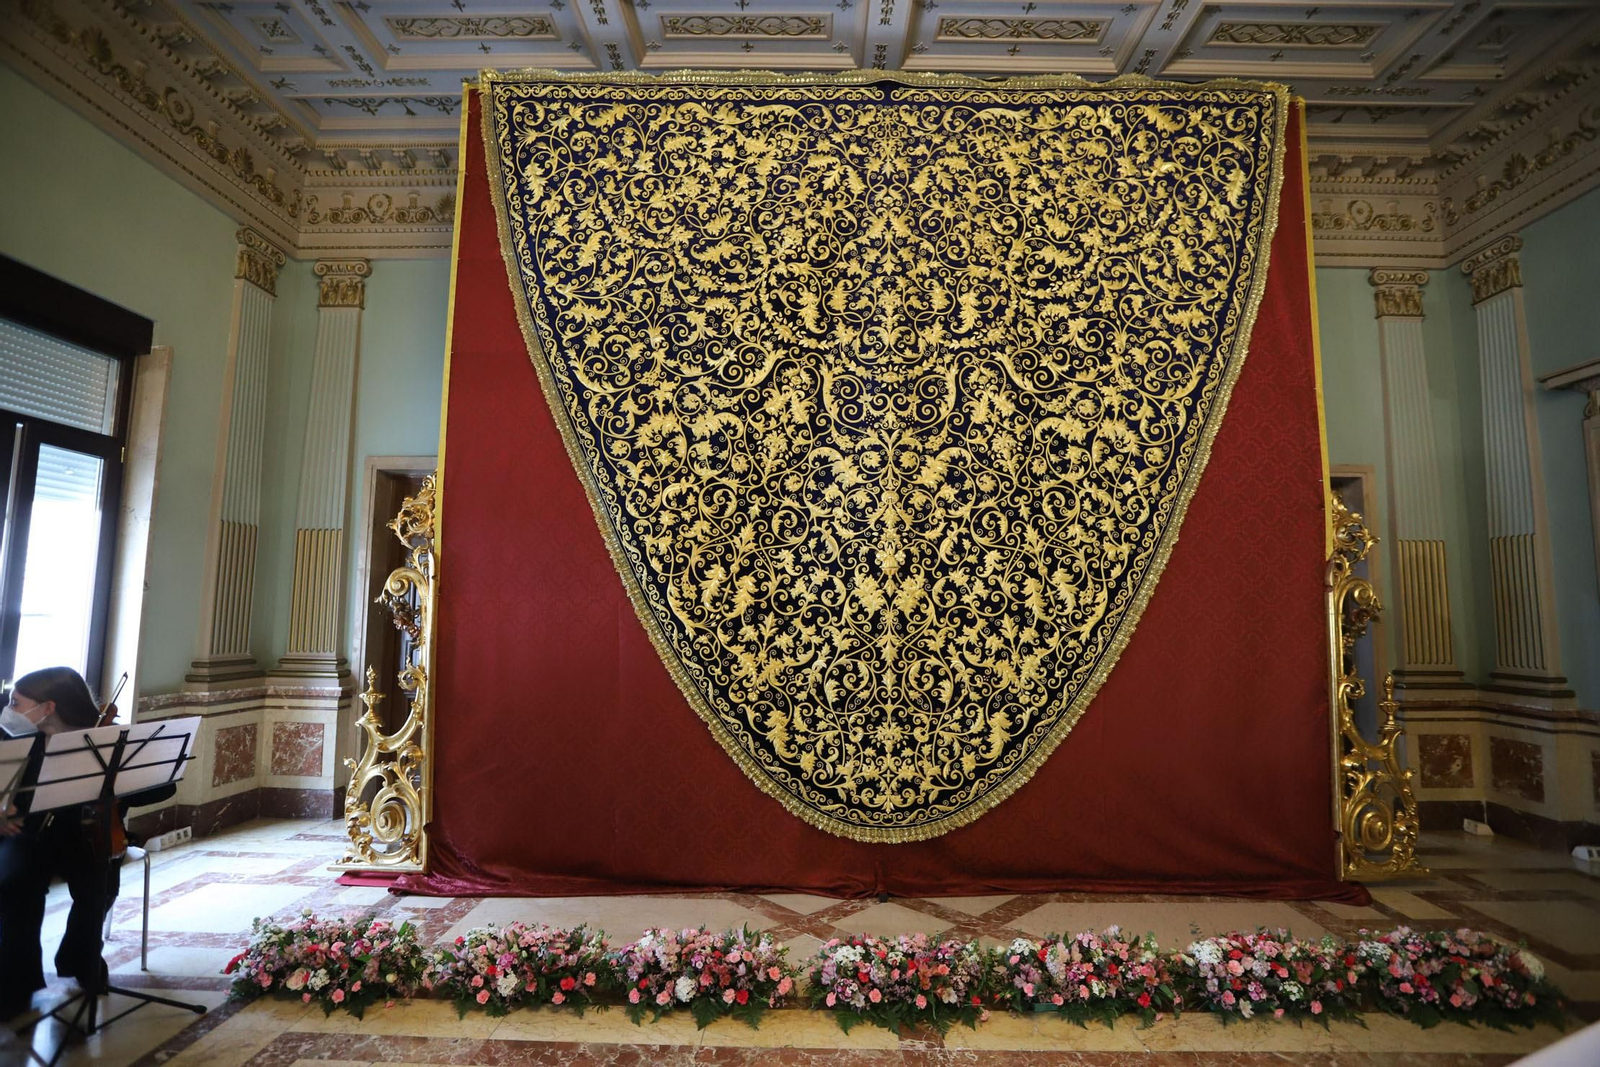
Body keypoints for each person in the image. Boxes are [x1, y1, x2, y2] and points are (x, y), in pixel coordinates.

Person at [0, 667, 107, 1019]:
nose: (8, 709)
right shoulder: (12, 740)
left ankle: (80, 959)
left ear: (48, 707)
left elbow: (160, 785)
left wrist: (116, 783)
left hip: (80, 832)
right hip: (28, 834)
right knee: (16, 882)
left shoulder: (100, 739)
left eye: (16, 702)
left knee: (98, 882)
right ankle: (17, 981)